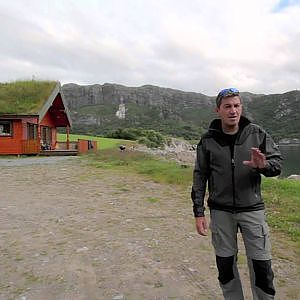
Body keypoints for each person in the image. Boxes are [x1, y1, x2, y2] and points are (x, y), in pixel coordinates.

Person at [191, 88, 282, 300]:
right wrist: (198, 212)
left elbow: (277, 164)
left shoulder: (257, 133)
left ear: (241, 107)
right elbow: (199, 176)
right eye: (228, 106)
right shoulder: (208, 140)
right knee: (225, 265)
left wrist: (264, 165)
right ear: (218, 110)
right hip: (221, 212)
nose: (233, 110)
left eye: (237, 105)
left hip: (253, 211)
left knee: (262, 266)